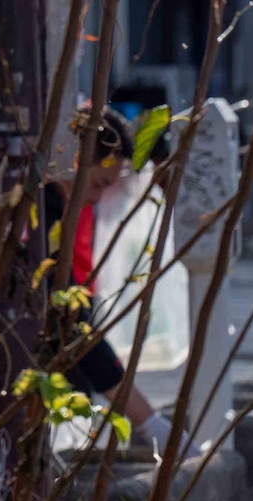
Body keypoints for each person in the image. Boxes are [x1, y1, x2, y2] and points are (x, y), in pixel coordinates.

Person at [45, 106, 173, 448]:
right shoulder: (42, 211)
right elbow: (70, 323)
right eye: (99, 183)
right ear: (73, 158)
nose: (96, 198)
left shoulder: (56, 209)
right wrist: (148, 421)